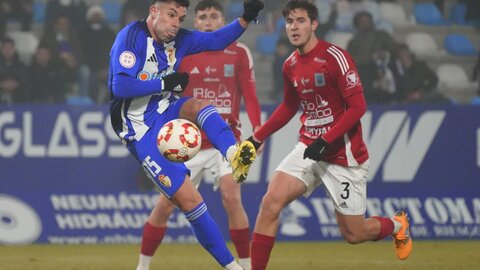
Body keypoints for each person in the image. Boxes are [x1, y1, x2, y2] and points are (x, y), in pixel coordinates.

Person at [240, 1, 412, 269]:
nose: (294, 27)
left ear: (314, 24)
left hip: (343, 155)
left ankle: (397, 225)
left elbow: (358, 108)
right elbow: (288, 106)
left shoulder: (335, 57)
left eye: (300, 21)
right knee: (270, 203)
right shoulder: (290, 65)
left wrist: (326, 139)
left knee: (354, 234)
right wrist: (257, 137)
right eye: (290, 22)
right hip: (309, 147)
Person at [108, 1, 264, 269]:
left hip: (166, 110)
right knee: (190, 202)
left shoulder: (180, 39)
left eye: (180, 18)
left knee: (200, 106)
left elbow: (216, 39)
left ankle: (232, 154)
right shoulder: (131, 36)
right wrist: (164, 83)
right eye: (171, 16)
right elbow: (120, 86)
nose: (176, 24)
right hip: (139, 130)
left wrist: (246, 19)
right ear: (154, 11)